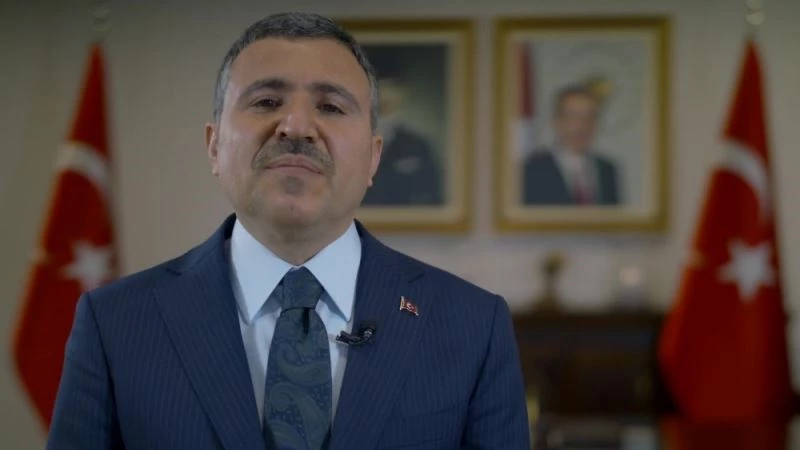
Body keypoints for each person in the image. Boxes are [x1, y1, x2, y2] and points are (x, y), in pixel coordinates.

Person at [46, 12, 529, 450]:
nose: (296, 126)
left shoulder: (473, 326)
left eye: (331, 107)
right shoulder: (114, 323)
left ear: (373, 157)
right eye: (266, 101)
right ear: (214, 147)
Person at [360, 58, 444, 206]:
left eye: (392, 86)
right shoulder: (350, 141)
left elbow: (434, 199)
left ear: (403, 91)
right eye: (379, 86)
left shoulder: (419, 146)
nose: (386, 94)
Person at [522, 84, 621, 206]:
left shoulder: (608, 170)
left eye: (590, 117)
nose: (582, 126)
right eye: (573, 117)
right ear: (556, 121)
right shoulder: (531, 170)